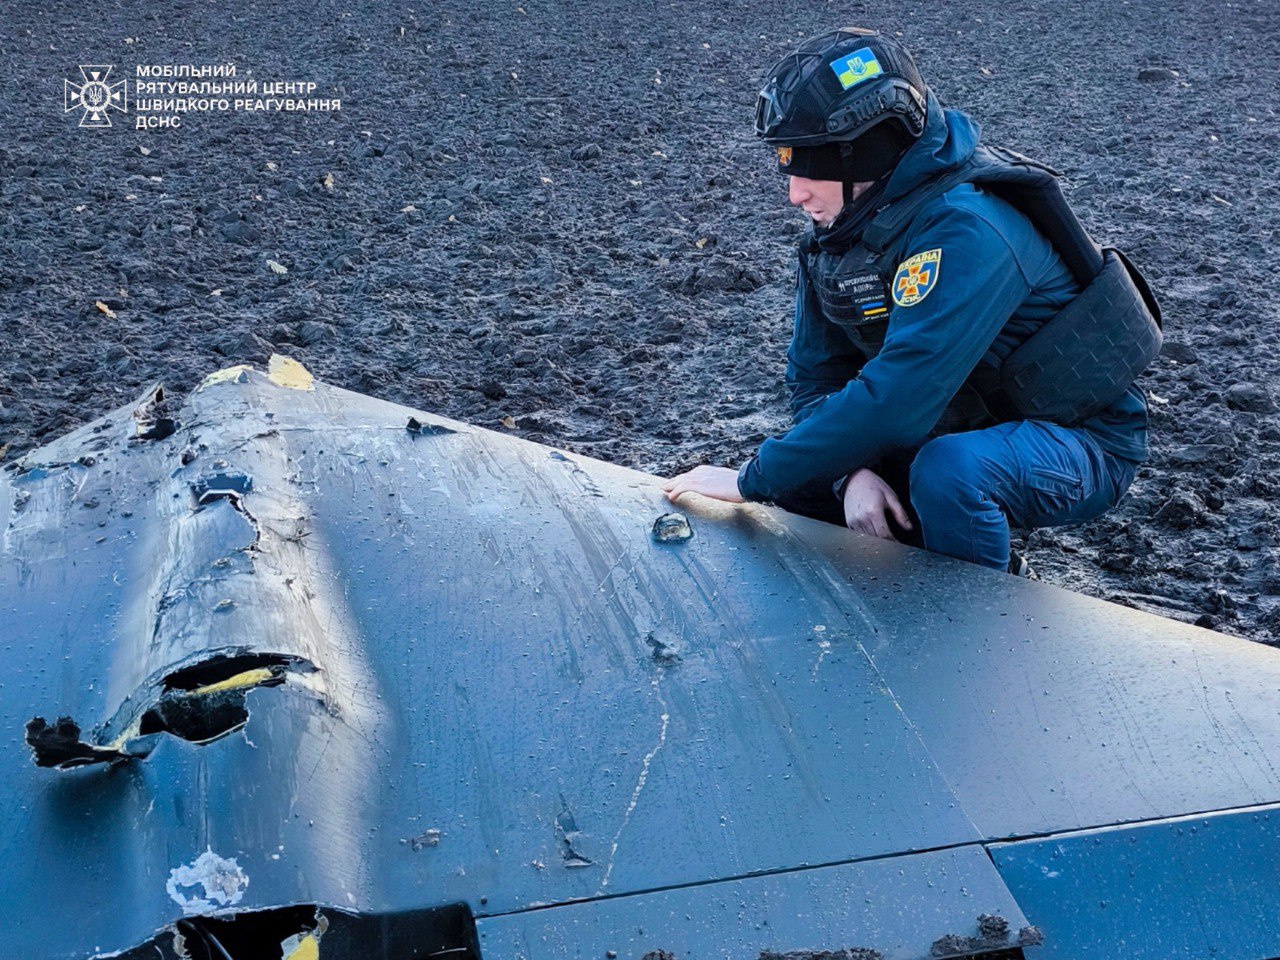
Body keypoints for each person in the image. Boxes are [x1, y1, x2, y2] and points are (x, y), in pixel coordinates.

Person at [662, 27, 1160, 575]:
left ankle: (976, 618)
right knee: (808, 473)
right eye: (786, 163)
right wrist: (847, 476)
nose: (795, 193)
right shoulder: (839, 235)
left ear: (868, 152)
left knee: (949, 474)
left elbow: (900, 396)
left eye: (811, 166)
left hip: (1079, 439)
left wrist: (749, 480)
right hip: (955, 419)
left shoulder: (968, 228)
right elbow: (813, 381)